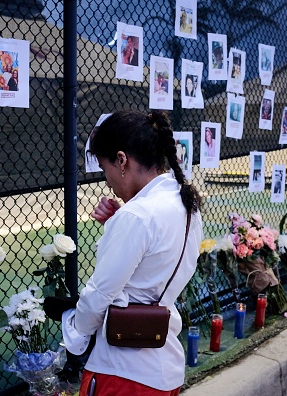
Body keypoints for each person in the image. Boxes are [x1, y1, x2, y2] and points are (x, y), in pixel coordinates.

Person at [67, 110, 202, 395]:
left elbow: (99, 294)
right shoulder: (184, 203)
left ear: (121, 160)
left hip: (122, 372)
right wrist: (119, 222)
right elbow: (153, 263)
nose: (107, 182)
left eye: (106, 169)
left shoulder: (137, 217)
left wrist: (75, 334)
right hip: (164, 366)